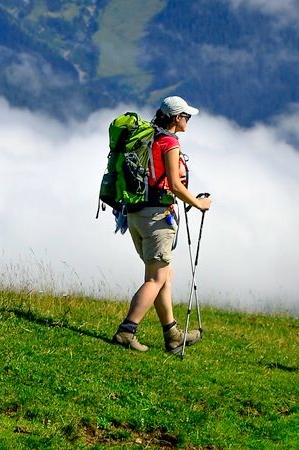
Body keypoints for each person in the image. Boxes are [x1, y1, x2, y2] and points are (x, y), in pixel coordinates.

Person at [112, 96, 212, 355]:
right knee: (156, 278)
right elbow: (175, 185)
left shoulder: (148, 138)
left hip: (135, 214)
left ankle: (173, 334)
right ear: (176, 118)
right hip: (157, 217)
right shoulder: (169, 141)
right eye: (186, 116)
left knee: (163, 275)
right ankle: (127, 331)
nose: (188, 121)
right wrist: (199, 204)